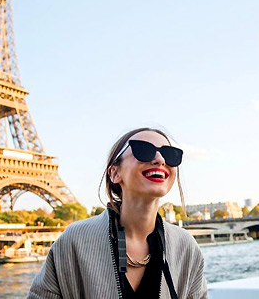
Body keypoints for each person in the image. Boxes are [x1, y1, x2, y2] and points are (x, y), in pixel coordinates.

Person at [28, 127, 207, 299]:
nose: (160, 160)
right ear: (114, 173)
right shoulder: (74, 240)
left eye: (169, 154)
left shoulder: (187, 247)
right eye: (143, 150)